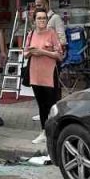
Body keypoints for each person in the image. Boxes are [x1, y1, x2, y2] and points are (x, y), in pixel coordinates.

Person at [25, 9, 64, 144]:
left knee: (52, 105)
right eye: (39, 18)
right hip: (35, 74)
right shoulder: (31, 34)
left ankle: (55, 132)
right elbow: (24, 53)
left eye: (44, 18)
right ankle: (43, 132)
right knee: (41, 105)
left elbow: (59, 55)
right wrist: (31, 52)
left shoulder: (52, 33)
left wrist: (42, 52)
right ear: (34, 20)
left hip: (49, 73)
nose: (42, 21)